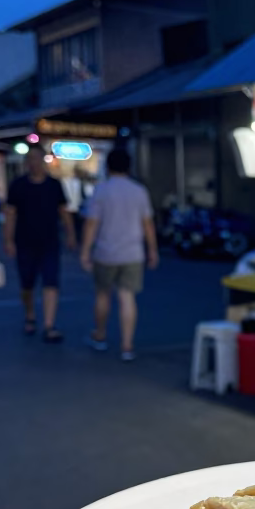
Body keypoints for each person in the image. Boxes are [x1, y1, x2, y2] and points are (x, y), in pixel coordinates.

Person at [80, 148, 159, 361]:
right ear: (129, 167)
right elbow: (147, 224)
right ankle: (127, 345)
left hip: (105, 252)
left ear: (108, 167)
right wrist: (152, 250)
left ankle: (100, 335)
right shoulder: (139, 191)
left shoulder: (101, 191)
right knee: (127, 297)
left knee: (103, 294)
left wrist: (85, 250)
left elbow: (91, 223)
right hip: (133, 252)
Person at [5, 144, 75, 342]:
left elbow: (64, 211)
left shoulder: (54, 185)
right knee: (27, 283)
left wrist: (70, 235)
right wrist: (8, 240)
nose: (33, 163)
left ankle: (49, 324)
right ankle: (30, 314)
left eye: (37, 159)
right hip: (25, 241)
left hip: (50, 241)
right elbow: (10, 214)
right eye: (30, 159)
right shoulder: (18, 185)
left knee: (50, 281)